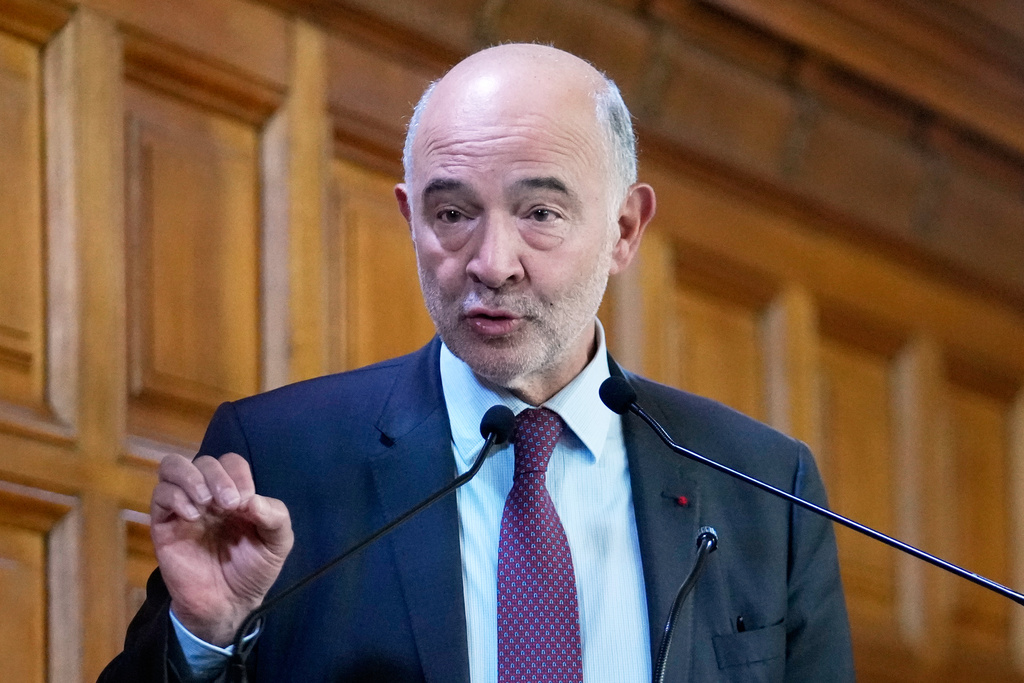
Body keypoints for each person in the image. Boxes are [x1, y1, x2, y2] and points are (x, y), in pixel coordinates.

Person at [99, 43, 853, 682]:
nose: (492, 264)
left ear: (624, 229)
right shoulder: (280, 457)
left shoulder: (763, 488)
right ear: (409, 218)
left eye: (540, 213)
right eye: (452, 214)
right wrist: (202, 641)